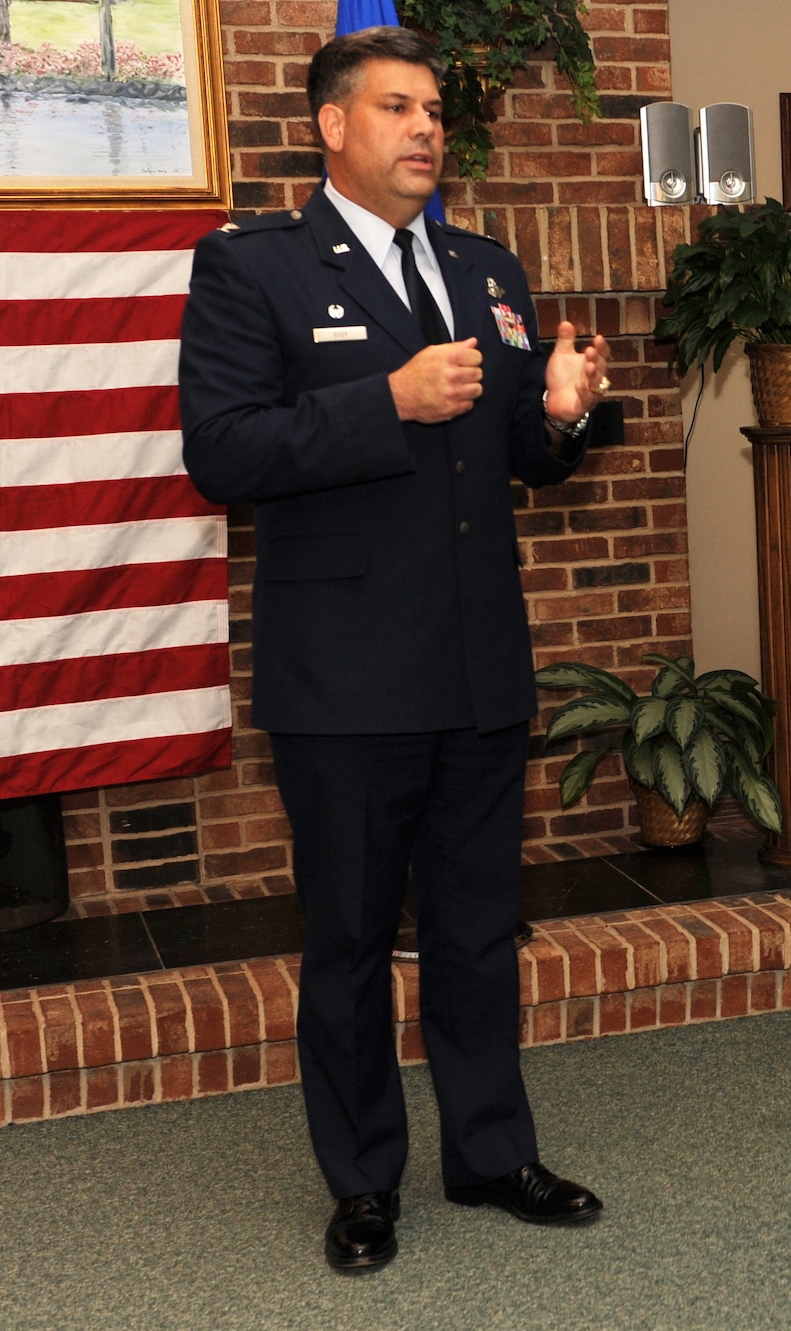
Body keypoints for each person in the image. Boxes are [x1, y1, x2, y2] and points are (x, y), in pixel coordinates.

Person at [178, 27, 621, 1272]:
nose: (424, 130)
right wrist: (385, 399)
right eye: (396, 108)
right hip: (347, 676)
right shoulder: (252, 269)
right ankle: (363, 1180)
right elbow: (223, 451)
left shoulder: (485, 265)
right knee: (352, 942)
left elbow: (518, 464)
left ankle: (490, 1153)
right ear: (331, 125)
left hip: (479, 663)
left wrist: (561, 413)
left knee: (481, 931)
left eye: (433, 111)